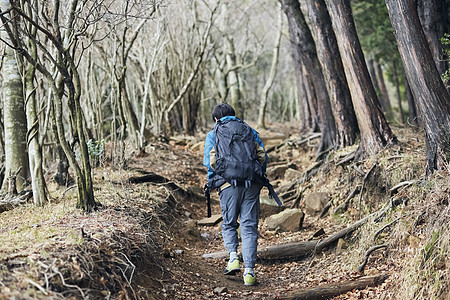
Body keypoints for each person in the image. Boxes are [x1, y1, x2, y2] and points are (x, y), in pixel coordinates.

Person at [203, 103, 268, 286]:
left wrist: (212, 182)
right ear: (234, 115)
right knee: (249, 226)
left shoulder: (214, 133)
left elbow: (209, 162)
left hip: (227, 184)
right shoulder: (248, 130)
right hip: (251, 184)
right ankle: (249, 272)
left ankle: (233, 258)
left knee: (230, 223)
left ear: (216, 119)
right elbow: (263, 157)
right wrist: (257, 177)